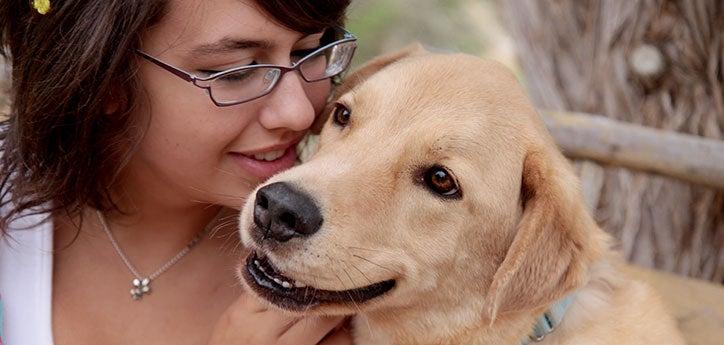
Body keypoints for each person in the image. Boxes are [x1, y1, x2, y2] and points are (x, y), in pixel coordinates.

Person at [0, 0, 356, 344]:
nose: (300, 114)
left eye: (310, 50)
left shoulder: (356, 270)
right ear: (102, 76)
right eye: (236, 70)